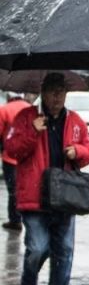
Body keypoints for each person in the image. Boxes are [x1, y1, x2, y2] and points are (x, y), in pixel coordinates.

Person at [4, 73, 89, 285]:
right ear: (43, 92)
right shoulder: (26, 117)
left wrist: (79, 151)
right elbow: (11, 150)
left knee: (64, 252)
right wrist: (32, 132)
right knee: (38, 249)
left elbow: (88, 151)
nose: (56, 97)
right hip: (35, 198)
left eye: (61, 92)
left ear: (66, 94)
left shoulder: (75, 121)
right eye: (52, 91)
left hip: (65, 198)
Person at [1, 92, 32, 231]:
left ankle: (15, 219)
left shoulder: (4, 109)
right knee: (26, 187)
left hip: (10, 157)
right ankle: (27, 216)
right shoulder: (31, 108)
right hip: (28, 157)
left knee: (13, 190)